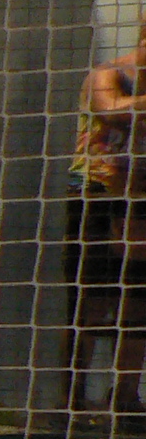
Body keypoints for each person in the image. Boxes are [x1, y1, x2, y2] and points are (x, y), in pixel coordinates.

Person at [67, 36, 146, 416]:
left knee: (140, 301)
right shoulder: (109, 74)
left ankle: (126, 394)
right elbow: (111, 110)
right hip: (97, 193)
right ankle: (72, 394)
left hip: (140, 192)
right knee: (95, 299)